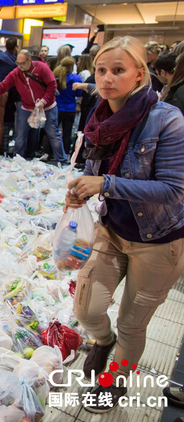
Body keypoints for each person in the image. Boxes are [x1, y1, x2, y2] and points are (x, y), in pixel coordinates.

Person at [65, 36, 184, 413]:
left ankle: (114, 382)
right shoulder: (99, 116)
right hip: (110, 229)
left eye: (118, 70)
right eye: (101, 70)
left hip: (160, 240)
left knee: (133, 324)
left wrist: (106, 184)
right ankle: (103, 340)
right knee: (86, 309)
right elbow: (91, 166)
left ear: (138, 75)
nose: (107, 78)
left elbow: (173, 189)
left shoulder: (167, 119)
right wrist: (80, 191)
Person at [0, 49, 67, 163]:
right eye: (18, 64)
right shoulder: (16, 73)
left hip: (47, 107)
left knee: (53, 133)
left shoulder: (41, 67)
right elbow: (3, 86)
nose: (20, 66)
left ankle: (62, 161)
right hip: (27, 107)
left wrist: (43, 101)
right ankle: (17, 160)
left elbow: (52, 85)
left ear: (29, 60)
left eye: (22, 63)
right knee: (20, 136)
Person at [54, 57, 82, 156]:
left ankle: (49, 152)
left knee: (53, 132)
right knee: (67, 132)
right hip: (70, 108)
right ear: (71, 66)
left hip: (57, 107)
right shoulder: (76, 79)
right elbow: (79, 94)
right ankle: (65, 153)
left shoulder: (56, 77)